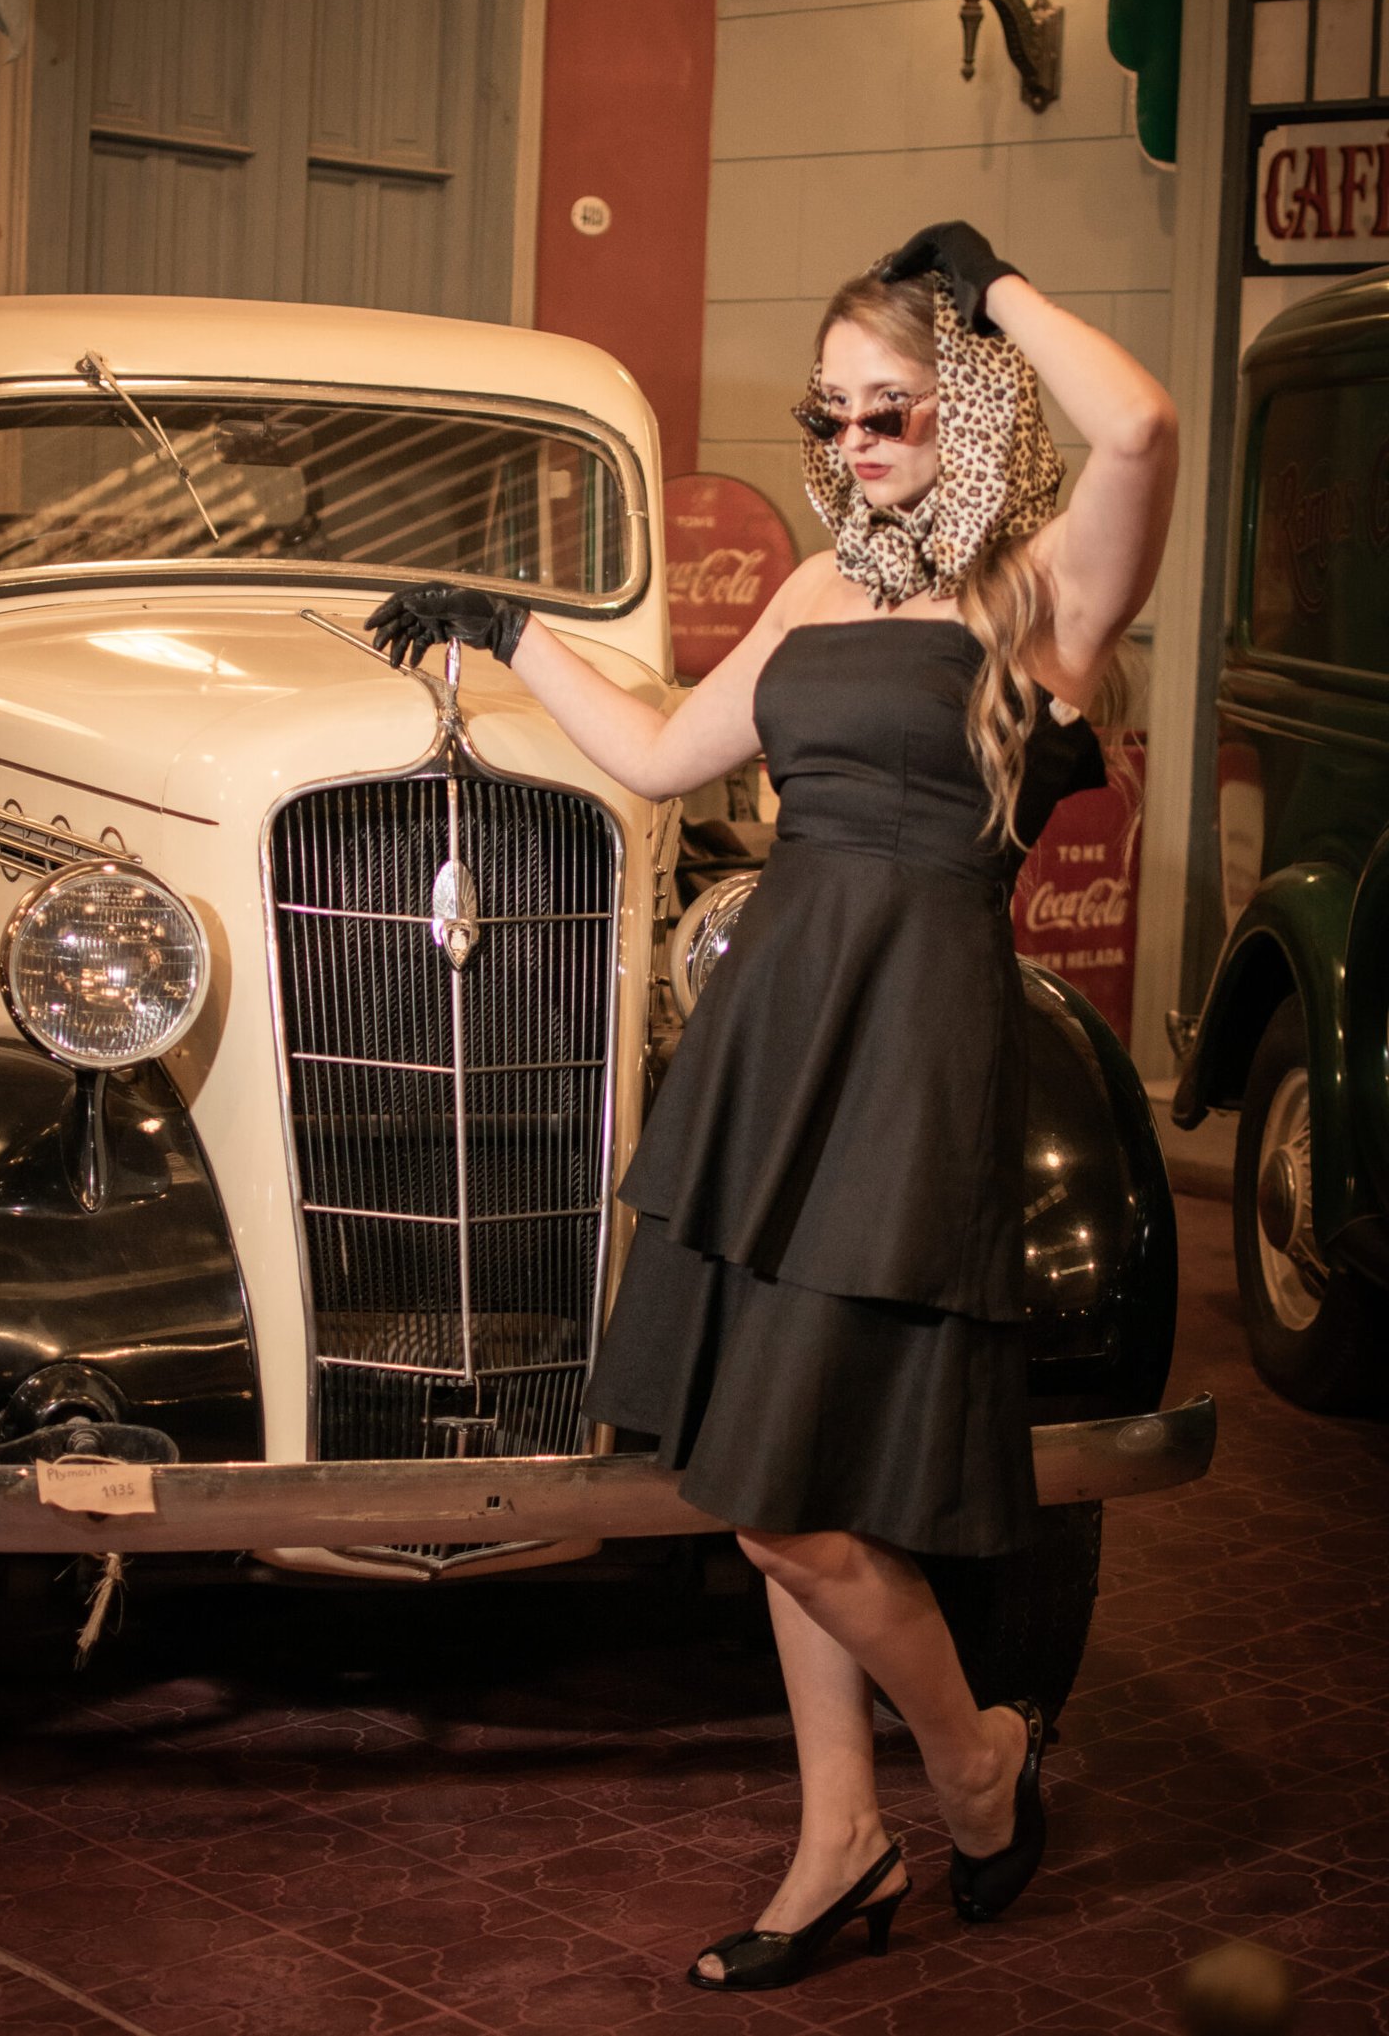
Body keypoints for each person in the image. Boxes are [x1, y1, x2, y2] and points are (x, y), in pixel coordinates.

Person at [367, 220, 1178, 1992]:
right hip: (777, 1036)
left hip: (910, 1053)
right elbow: (666, 746)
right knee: (779, 1479)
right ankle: (841, 1836)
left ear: (970, 405)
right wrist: (506, 631)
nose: (855, 444)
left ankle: (976, 1757)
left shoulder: (1040, 592)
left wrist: (1001, 290)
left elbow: (1138, 425)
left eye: (892, 409)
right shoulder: (821, 588)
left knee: (784, 1505)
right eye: (831, 417)